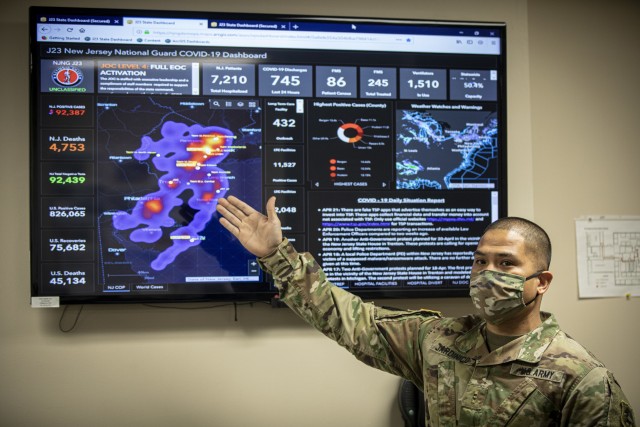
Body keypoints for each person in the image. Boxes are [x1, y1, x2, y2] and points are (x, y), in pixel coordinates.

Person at [216, 195, 635, 426]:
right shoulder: (437, 340)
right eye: (480, 261)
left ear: (541, 282)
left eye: (506, 264)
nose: (488, 273)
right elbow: (347, 318)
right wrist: (276, 254)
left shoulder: (581, 379)